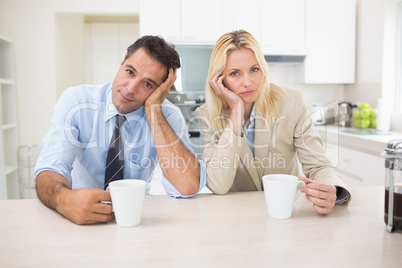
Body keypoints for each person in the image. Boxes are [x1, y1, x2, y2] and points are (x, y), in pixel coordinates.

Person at [34, 35, 207, 225]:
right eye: (130, 72)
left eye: (148, 84)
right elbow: (49, 168)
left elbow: (186, 185)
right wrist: (64, 200)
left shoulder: (167, 114)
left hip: (136, 218)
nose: (131, 89)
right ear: (121, 63)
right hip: (78, 216)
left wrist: (153, 109)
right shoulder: (77, 101)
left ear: (161, 90)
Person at [195, 30, 350, 214]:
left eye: (254, 69)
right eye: (235, 73)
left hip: (286, 212)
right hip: (237, 217)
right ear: (220, 79)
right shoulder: (206, 115)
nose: (248, 82)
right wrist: (236, 112)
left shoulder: (291, 101)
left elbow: (318, 164)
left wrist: (334, 190)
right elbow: (218, 185)